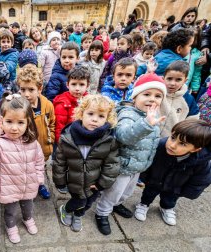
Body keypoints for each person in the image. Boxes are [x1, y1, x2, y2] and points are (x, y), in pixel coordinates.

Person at [95, 73, 167, 235]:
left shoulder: (151, 116)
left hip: (137, 165)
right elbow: (124, 136)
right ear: (135, 97)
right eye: (146, 94)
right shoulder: (128, 114)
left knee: (127, 191)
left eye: (158, 96)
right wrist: (146, 124)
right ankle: (102, 212)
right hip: (122, 164)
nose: (152, 99)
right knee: (114, 191)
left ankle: (116, 204)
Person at [0, 95, 45, 244]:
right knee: (10, 211)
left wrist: (39, 178)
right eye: (9, 121)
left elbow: (39, 161)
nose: (14, 127)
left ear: (28, 123)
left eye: (20, 122)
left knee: (28, 207)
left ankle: (28, 219)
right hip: (8, 187)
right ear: (2, 121)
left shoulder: (32, 142)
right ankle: (11, 227)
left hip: (28, 185)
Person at [55, 95, 120, 232]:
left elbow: (112, 165)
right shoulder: (68, 137)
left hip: (94, 184)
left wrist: (101, 183)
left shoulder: (108, 140)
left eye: (101, 116)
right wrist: (60, 181)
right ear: (81, 114)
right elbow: (59, 162)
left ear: (108, 119)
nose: (95, 119)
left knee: (88, 203)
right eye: (90, 113)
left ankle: (78, 215)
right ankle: (66, 210)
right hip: (74, 180)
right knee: (77, 201)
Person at [135, 120, 211, 226]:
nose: (172, 145)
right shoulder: (160, 147)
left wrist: (188, 192)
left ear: (195, 149)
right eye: (173, 137)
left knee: (170, 198)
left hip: (176, 185)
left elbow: (201, 180)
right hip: (154, 180)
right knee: (149, 193)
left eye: (182, 144)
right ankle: (144, 204)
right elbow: (147, 163)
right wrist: (144, 178)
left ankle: (166, 208)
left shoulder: (201, 162)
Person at [17, 66, 55, 199]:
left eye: (31, 89)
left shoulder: (47, 105)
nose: (26, 94)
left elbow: (52, 123)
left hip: (43, 147)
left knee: (40, 167)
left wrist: (50, 139)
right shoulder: (18, 106)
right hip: (25, 148)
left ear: (40, 89)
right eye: (23, 90)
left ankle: (40, 185)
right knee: (26, 168)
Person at [160, 60, 200, 137]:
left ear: (185, 80)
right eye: (169, 78)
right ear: (163, 78)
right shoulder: (158, 93)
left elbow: (193, 120)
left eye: (178, 80)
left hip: (172, 140)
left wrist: (180, 134)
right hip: (150, 137)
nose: (172, 83)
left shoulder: (188, 99)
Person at [53, 66, 90, 144]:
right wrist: (61, 144)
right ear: (67, 85)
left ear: (87, 86)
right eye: (73, 84)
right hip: (67, 141)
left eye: (81, 84)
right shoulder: (62, 104)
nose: (77, 88)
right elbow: (59, 128)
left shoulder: (89, 101)